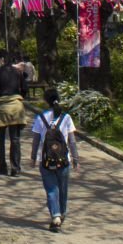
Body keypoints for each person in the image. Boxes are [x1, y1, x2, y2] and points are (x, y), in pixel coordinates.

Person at [31, 87, 80, 230]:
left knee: (51, 189)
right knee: (63, 188)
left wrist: (33, 157)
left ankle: (55, 215)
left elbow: (35, 140)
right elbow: (71, 141)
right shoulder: (66, 117)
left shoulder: (40, 117)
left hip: (45, 160)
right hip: (63, 160)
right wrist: (75, 158)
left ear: (46, 101)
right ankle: (62, 212)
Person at [0, 51, 27, 175]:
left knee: (0, 139)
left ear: (2, 59)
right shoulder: (17, 72)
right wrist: (20, 97)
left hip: (2, 107)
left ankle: (2, 166)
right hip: (16, 106)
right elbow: (24, 88)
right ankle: (15, 167)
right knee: (15, 139)